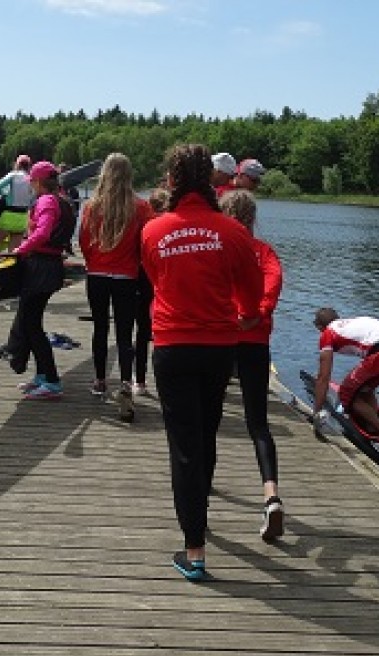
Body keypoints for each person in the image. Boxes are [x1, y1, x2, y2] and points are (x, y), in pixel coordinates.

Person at [141, 143, 264, 581]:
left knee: (183, 447)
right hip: (218, 350)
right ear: (212, 181)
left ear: (172, 181)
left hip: (172, 347)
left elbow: (158, 280)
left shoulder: (153, 231)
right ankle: (201, 510)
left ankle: (195, 550)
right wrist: (243, 316)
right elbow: (250, 299)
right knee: (206, 433)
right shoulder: (233, 233)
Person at [219, 189, 285, 543]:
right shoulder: (264, 252)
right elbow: (272, 286)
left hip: (220, 341)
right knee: (258, 424)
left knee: (209, 417)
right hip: (256, 343)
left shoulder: (218, 251)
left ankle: (202, 486)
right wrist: (257, 314)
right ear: (252, 218)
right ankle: (270, 495)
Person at [78, 153, 155, 422]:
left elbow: (84, 241)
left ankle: (100, 381)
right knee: (125, 334)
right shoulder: (141, 207)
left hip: (97, 274)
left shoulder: (91, 206)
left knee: (100, 328)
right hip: (127, 277)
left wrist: (93, 263)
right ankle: (125, 382)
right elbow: (147, 244)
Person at [0, 160, 71, 400]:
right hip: (49, 267)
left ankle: (51, 381)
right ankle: (41, 377)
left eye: (32, 182)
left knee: (31, 326)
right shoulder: (62, 199)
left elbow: (43, 233)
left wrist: (19, 250)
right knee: (32, 324)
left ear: (39, 182)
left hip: (41, 269)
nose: (30, 186)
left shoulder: (47, 201)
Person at [310, 308, 379, 435]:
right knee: (365, 389)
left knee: (346, 393)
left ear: (319, 326)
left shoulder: (328, 333)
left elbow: (323, 377)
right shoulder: (353, 322)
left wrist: (316, 413)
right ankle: (372, 425)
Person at [132, 187, 169, 396]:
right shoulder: (167, 227)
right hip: (162, 284)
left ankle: (140, 381)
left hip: (142, 281)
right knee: (159, 334)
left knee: (142, 331)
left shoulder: (146, 227)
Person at [0, 154, 34, 266]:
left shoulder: (13, 175)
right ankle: (10, 269)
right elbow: (33, 198)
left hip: (9, 216)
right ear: (29, 166)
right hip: (23, 218)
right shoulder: (31, 178)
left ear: (17, 164)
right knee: (13, 251)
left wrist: (6, 195)